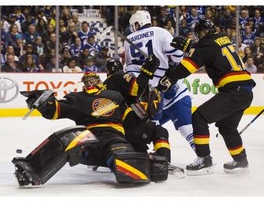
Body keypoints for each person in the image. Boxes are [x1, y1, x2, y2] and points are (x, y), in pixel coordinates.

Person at [12, 72, 168, 186]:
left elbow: (128, 119)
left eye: (93, 79)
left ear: (100, 81)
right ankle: (32, 168)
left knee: (122, 153)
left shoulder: (115, 96)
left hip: (114, 138)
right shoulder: (77, 98)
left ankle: (154, 164)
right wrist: (44, 103)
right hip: (88, 142)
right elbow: (56, 110)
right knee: (69, 136)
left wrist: (146, 108)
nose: (90, 82)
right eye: (86, 80)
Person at [157, 19, 256, 175]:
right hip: (245, 92)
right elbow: (209, 51)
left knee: (199, 117)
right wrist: (191, 47)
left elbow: (187, 67)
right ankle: (240, 160)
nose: (198, 36)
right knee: (227, 127)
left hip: (233, 92)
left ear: (203, 32)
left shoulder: (205, 46)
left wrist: (169, 79)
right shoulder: (223, 37)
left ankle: (204, 159)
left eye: (199, 34)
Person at [124, 10, 196, 153]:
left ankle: (145, 155)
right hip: (169, 88)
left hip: (148, 94)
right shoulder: (160, 31)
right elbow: (177, 57)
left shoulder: (129, 40)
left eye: (134, 24)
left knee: (148, 127)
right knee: (185, 128)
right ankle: (203, 156)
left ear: (137, 23)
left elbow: (131, 71)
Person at [102, 59, 184, 177]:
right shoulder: (119, 76)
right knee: (159, 131)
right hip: (127, 127)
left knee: (141, 156)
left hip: (111, 132)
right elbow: (138, 89)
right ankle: (164, 161)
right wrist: (146, 72)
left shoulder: (104, 85)